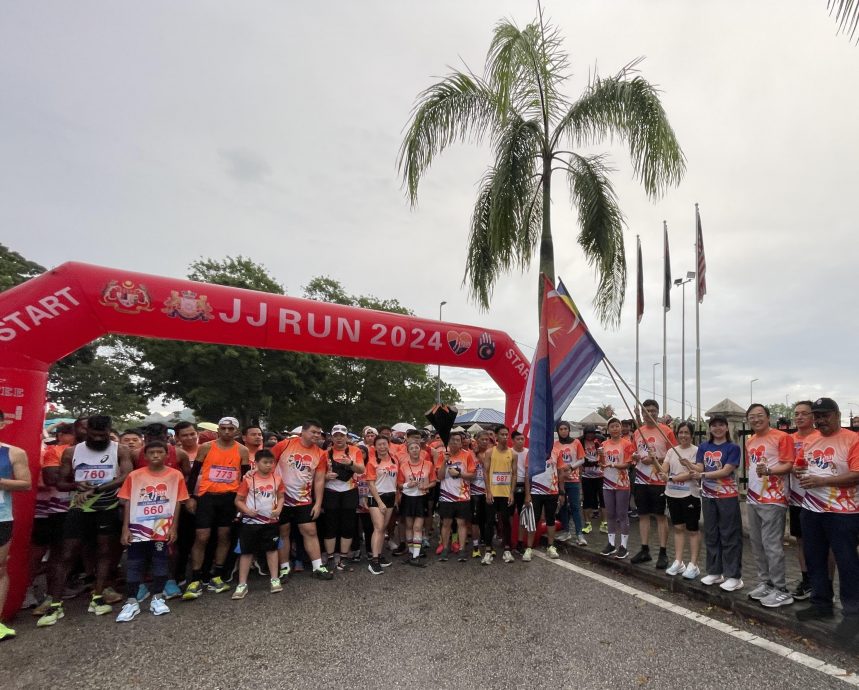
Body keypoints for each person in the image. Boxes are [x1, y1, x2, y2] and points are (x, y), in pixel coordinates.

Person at [37, 415, 134, 627]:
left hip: (106, 506)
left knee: (104, 551)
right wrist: (76, 485)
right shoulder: (72, 452)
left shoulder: (119, 450)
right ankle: (55, 603)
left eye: (103, 435)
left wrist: (96, 489)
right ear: (85, 432)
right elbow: (61, 483)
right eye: (94, 435)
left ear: (109, 431)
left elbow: (126, 476)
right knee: (67, 553)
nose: (99, 439)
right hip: (79, 507)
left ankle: (97, 597)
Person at [796, 398, 859, 638]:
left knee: (847, 562)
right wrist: (802, 471)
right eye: (817, 416)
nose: (821, 420)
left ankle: (853, 615)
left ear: (838, 414)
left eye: (825, 415)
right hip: (811, 508)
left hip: (843, 512)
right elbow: (801, 465)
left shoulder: (852, 439)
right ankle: (821, 604)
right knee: (815, 559)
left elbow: (856, 474)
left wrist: (822, 480)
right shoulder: (810, 440)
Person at [115, 440, 189, 621]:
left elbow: (178, 502)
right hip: (138, 527)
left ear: (167, 455)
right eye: (152, 453)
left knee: (160, 561)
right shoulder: (134, 475)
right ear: (145, 456)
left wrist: (174, 526)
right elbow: (128, 501)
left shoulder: (175, 475)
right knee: (134, 562)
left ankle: (157, 597)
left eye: (160, 452)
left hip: (161, 528)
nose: (156, 455)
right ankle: (131, 601)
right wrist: (125, 528)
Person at [182, 417, 250, 600]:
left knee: (224, 536)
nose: (227, 432)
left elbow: (245, 478)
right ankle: (195, 578)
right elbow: (194, 473)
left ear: (236, 431)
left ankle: (217, 575)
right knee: (202, 536)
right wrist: (190, 497)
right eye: (223, 428)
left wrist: (243, 502)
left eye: (231, 429)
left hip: (229, 498)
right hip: (207, 497)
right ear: (218, 429)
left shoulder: (242, 450)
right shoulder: (206, 447)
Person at [744, 403, 794, 608]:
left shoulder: (782, 437)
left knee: (772, 545)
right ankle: (765, 582)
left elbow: (789, 464)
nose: (756, 420)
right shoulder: (750, 441)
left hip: (774, 498)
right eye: (752, 417)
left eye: (759, 415)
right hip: (753, 497)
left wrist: (770, 471)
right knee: (757, 543)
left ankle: (781, 589)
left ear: (768, 417)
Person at [270, 420, 334, 581]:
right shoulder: (284, 445)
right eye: (313, 432)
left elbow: (319, 480)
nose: (316, 435)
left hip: (303, 499)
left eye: (319, 433)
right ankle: (284, 568)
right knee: (283, 532)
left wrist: (318, 503)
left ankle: (318, 566)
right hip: (281, 498)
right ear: (303, 432)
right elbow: (268, 465)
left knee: (310, 531)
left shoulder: (320, 454)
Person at [692, 415, 744, 592]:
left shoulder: (733, 448)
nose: (717, 428)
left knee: (729, 534)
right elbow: (700, 467)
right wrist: (691, 466)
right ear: (710, 428)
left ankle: (734, 576)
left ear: (727, 428)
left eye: (721, 425)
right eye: (714, 425)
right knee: (711, 533)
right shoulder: (703, 447)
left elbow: (726, 470)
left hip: (727, 495)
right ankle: (715, 571)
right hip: (708, 496)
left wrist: (703, 475)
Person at [29, 422, 74, 614]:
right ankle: (27, 590)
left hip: (66, 508)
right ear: (62, 435)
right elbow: (50, 480)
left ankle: (55, 590)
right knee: (41, 551)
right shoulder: (53, 451)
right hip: (46, 509)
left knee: (61, 552)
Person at [232, 449, 285, 599]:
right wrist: (247, 511)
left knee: (272, 550)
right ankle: (242, 584)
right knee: (246, 552)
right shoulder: (248, 480)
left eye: (271, 462)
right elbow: (238, 500)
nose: (269, 465)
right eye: (265, 462)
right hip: (250, 522)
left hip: (271, 521)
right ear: (256, 463)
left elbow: (281, 497)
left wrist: (279, 508)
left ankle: (274, 579)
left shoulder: (277, 479)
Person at [631, 400, 677, 569]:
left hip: (658, 479)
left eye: (653, 410)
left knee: (660, 516)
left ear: (658, 412)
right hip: (640, 479)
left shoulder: (666, 431)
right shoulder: (637, 432)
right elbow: (635, 451)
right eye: (646, 411)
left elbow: (674, 455)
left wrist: (656, 459)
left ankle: (663, 552)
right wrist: (636, 457)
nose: (649, 413)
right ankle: (644, 550)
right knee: (643, 515)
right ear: (642, 414)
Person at [0, 410, 32, 640]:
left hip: (1, 517)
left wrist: (1, 481)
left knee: (0, 569)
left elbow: (25, 483)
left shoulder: (13, 452)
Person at [659, 421, 701, 579]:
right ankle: (679, 561)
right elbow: (664, 468)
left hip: (690, 495)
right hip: (672, 494)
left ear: (692, 435)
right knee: (678, 528)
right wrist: (660, 469)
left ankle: (694, 564)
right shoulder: (671, 450)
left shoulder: (697, 451)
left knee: (693, 530)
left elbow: (693, 473)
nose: (683, 435)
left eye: (686, 432)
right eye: (681, 432)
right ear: (676, 434)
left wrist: (672, 476)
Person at [322, 424, 364, 572]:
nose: (339, 438)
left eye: (342, 435)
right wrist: (326, 477)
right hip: (331, 491)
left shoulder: (355, 450)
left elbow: (362, 469)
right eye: (336, 435)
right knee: (330, 525)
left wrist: (350, 463)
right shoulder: (325, 453)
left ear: (347, 436)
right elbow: (318, 475)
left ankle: (344, 558)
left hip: (349, 491)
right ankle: (331, 558)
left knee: (348, 525)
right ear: (331, 437)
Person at [597, 418, 635, 560]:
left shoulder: (626, 444)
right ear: (608, 429)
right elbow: (601, 464)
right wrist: (601, 457)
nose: (614, 429)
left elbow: (627, 464)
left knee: (622, 514)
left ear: (621, 428)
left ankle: (624, 546)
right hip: (607, 483)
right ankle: (611, 544)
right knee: (610, 514)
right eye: (612, 426)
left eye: (617, 426)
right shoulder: (604, 444)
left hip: (622, 483)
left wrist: (612, 465)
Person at [788, 401, 815, 601]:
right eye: (796, 414)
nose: (799, 417)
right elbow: (782, 463)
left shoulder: (820, 437)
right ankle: (806, 579)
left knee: (822, 542)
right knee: (800, 540)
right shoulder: (789, 439)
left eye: (804, 413)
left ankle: (822, 582)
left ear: (813, 416)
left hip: (819, 498)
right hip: (796, 498)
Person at [436, 432, 476, 562]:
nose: (455, 443)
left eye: (457, 440)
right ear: (448, 442)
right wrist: (445, 462)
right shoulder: (442, 456)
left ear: (462, 442)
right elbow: (440, 476)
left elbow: (473, 475)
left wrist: (459, 474)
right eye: (452, 440)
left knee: (461, 523)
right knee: (446, 523)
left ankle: (462, 549)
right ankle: (445, 548)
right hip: (446, 496)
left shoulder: (467, 455)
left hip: (462, 496)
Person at [523, 435, 561, 562]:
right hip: (536, 492)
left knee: (551, 519)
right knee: (533, 520)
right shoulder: (532, 453)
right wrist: (527, 495)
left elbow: (560, 472)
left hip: (552, 492)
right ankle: (529, 548)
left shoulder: (556, 451)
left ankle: (551, 546)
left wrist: (561, 492)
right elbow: (527, 475)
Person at [397, 439, 434, 567]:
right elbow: (399, 485)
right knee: (408, 526)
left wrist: (426, 486)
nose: (414, 450)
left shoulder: (428, 464)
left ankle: (416, 555)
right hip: (408, 498)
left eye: (416, 448)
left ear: (420, 450)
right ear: (408, 451)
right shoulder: (403, 466)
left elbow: (434, 481)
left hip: (421, 497)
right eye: (411, 448)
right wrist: (409, 484)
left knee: (418, 527)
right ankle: (412, 553)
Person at [366, 436, 398, 574]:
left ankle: (378, 555)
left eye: (384, 444)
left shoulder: (394, 460)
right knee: (378, 527)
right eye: (379, 444)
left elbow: (395, 480)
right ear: (375, 446)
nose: (382, 447)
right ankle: (374, 561)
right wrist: (379, 502)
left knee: (383, 528)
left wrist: (396, 497)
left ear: (388, 445)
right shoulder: (372, 462)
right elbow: (370, 483)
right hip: (376, 497)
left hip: (390, 496)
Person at [484, 425, 516, 564]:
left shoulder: (512, 453)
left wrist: (512, 493)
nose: (505, 437)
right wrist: (488, 491)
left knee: (506, 521)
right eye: (502, 434)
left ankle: (507, 549)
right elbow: (485, 472)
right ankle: (488, 550)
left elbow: (514, 474)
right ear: (496, 436)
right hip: (493, 493)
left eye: (506, 435)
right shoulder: (490, 452)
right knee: (489, 521)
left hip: (505, 494)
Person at [554, 421, 586, 545]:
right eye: (561, 429)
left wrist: (571, 467)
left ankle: (579, 534)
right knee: (562, 506)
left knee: (575, 507)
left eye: (565, 428)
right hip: (560, 480)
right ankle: (566, 531)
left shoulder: (576, 442)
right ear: (558, 431)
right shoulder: (555, 445)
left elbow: (582, 459)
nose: (563, 431)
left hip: (573, 480)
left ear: (569, 430)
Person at [579, 425, 607, 535]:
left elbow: (605, 455)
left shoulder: (600, 440)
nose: (590, 436)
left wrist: (599, 459)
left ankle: (604, 523)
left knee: (603, 499)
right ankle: (587, 523)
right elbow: (579, 457)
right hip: (587, 475)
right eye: (588, 434)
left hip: (600, 475)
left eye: (592, 433)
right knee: (587, 499)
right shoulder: (580, 442)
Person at [469, 430, 491, 559]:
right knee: (475, 521)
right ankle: (475, 546)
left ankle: (488, 544)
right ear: (476, 440)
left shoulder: (491, 453)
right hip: (475, 491)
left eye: (486, 439)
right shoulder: (470, 455)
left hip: (488, 491)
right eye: (482, 439)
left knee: (488, 520)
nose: (484, 441)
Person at [511, 431, 528, 550]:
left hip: (525, 484)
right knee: (509, 514)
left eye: (522, 439)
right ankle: (510, 538)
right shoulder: (509, 452)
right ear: (513, 440)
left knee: (523, 515)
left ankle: (521, 541)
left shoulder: (528, 452)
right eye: (518, 439)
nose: (521, 441)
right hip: (510, 485)